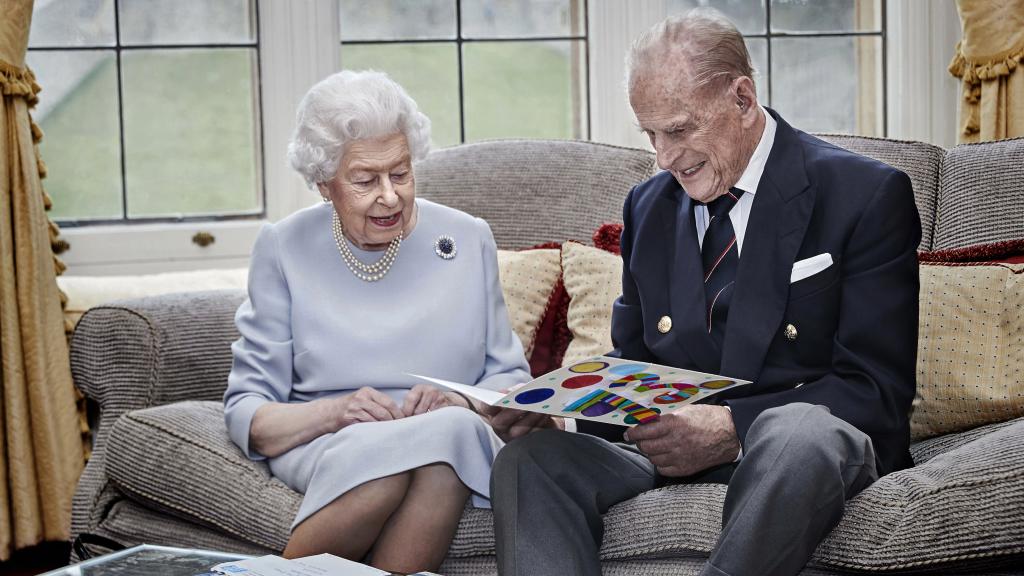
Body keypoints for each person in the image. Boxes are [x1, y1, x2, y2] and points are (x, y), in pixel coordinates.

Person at [489, 9, 920, 576]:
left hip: (796, 454)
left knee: (799, 434)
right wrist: (562, 414)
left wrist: (732, 429)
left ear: (742, 99)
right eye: (650, 134)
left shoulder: (864, 195)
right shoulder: (649, 206)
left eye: (679, 129)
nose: (665, 158)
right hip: (670, 454)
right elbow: (637, 364)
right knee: (531, 461)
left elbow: (877, 391)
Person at [223, 70, 531, 574]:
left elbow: (510, 380)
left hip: (448, 433)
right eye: (365, 180)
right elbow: (249, 411)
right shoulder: (284, 247)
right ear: (324, 185)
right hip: (326, 438)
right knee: (404, 462)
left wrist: (460, 399)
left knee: (444, 439)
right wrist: (335, 413)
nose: (389, 196)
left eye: (401, 173)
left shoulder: (467, 237)